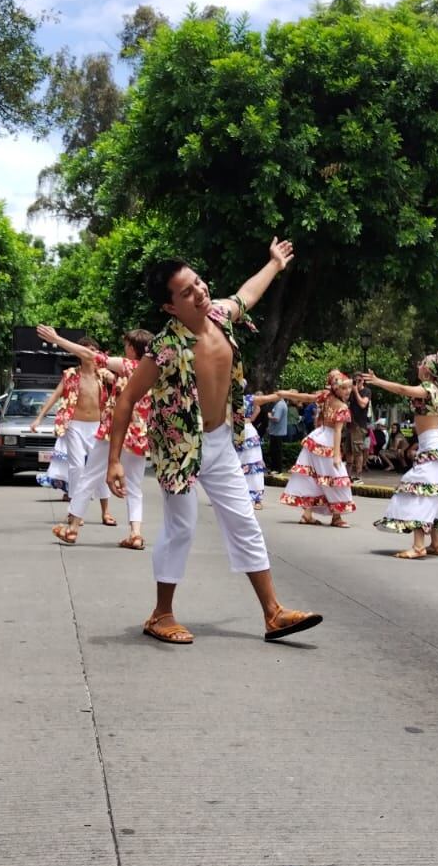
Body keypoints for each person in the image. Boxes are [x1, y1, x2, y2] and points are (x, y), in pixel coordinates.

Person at [105, 238, 322, 645]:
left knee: (244, 520)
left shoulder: (221, 315)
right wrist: (113, 460)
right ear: (170, 307)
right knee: (181, 526)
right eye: (187, 292)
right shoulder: (164, 348)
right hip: (180, 449)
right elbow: (127, 398)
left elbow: (247, 294)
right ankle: (161, 614)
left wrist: (274, 263)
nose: (200, 292)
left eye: (199, 283)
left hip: (220, 441)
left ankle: (273, 613)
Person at [39, 325, 153, 549]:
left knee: (89, 476)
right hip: (139, 435)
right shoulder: (153, 370)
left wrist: (57, 339)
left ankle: (72, 528)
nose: (124, 349)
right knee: (134, 486)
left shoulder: (128, 365)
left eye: (127, 345)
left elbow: (90, 355)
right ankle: (136, 533)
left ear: (132, 348)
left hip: (114, 432)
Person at [364, 351, 438, 557]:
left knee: (419, 490)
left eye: (421, 364)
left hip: (434, 448)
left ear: (427, 370)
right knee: (433, 493)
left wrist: (376, 380)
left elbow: (401, 389)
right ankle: (436, 544)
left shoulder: (426, 388)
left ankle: (419, 546)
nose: (418, 366)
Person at [31, 341, 115, 524]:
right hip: (75, 425)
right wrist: (39, 418)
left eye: (93, 350)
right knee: (76, 467)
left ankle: (106, 511)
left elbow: (118, 385)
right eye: (87, 350)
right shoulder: (70, 374)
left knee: (99, 469)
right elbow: (55, 395)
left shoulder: (102, 374)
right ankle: (77, 512)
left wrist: (112, 378)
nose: (90, 353)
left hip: (97, 426)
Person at [277, 372, 356, 526]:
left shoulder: (326, 396)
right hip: (327, 442)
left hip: (317, 438)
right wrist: (337, 455)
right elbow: (338, 431)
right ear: (336, 388)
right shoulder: (342, 406)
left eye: (349, 388)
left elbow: (307, 397)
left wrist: (286, 393)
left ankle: (307, 514)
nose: (348, 391)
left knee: (312, 476)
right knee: (335, 478)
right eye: (344, 388)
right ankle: (336, 517)